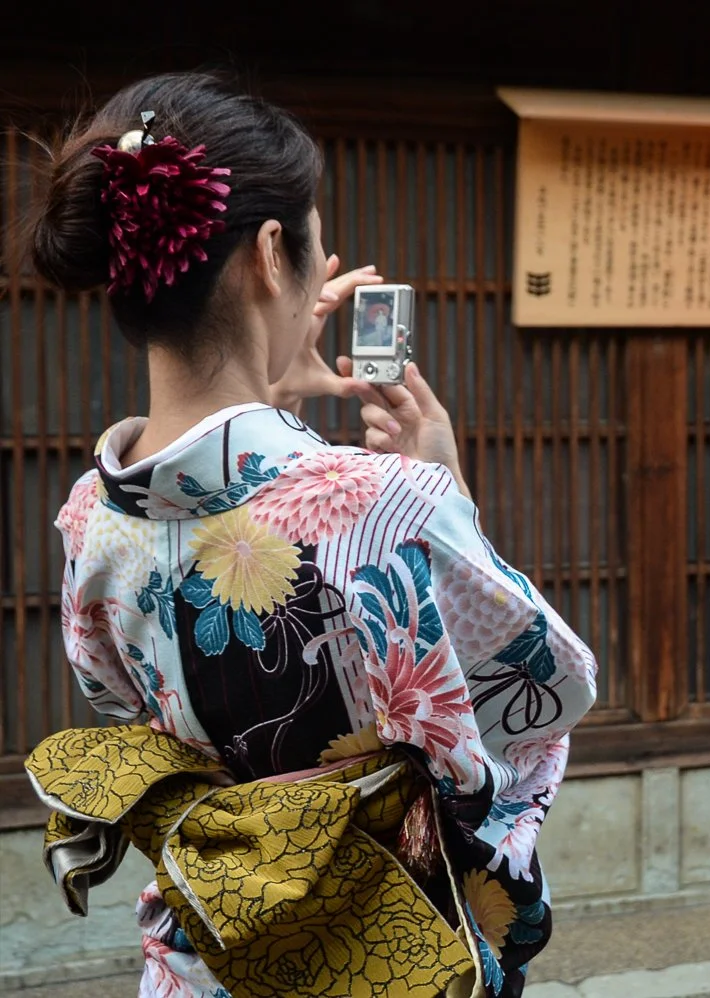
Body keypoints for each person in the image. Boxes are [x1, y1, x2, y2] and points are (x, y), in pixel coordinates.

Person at [24, 72, 596, 998]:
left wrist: (272, 392)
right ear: (270, 251)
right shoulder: (384, 500)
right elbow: (550, 691)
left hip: (206, 949)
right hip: (372, 951)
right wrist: (443, 485)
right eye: (316, 241)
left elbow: (120, 705)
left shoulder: (90, 513)